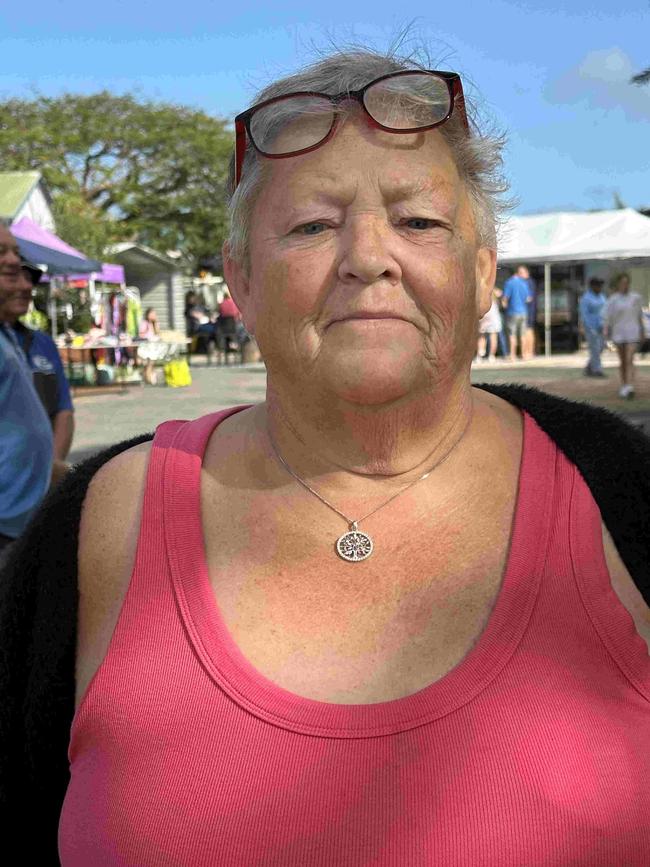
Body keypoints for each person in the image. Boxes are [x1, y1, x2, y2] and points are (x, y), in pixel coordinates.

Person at [2, 50, 650, 865]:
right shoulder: (98, 525)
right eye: (312, 225)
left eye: (418, 221)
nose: (369, 256)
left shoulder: (621, 490)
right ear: (239, 278)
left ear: (483, 273)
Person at [0, 225, 53, 558]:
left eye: (15, 253)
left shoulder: (7, 336)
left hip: (22, 521)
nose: (13, 263)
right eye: (1, 253)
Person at [12, 261, 75, 460]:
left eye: (29, 279)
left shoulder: (43, 343)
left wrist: (51, 468)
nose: (26, 286)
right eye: (14, 277)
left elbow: (64, 410)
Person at [603, 273, 644, 399]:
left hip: (633, 333)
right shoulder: (613, 300)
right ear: (618, 284)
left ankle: (630, 386)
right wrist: (606, 331)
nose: (625, 285)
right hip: (619, 333)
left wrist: (642, 331)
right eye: (622, 283)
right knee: (623, 361)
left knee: (629, 358)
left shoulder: (636, 298)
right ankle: (624, 385)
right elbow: (607, 317)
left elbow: (639, 315)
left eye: (627, 283)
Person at [502, 264, 533, 360]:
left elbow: (505, 298)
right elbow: (529, 298)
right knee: (523, 334)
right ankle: (524, 354)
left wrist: (504, 306)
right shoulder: (524, 283)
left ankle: (512, 355)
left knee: (512, 334)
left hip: (512, 312)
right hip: (523, 312)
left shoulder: (509, 283)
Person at [579, 276, 607, 378]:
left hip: (601, 326)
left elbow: (605, 310)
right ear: (592, 286)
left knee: (601, 347)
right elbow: (584, 314)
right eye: (598, 285)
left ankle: (589, 367)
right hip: (591, 327)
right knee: (594, 349)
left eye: (601, 285)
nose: (600, 287)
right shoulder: (586, 298)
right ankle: (597, 370)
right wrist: (584, 326)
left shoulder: (602, 296)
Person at [475, 288, 502, 361]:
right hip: (493, 317)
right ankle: (491, 356)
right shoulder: (493, 292)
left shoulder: (480, 293)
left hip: (484, 316)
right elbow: (501, 295)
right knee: (493, 336)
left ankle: (479, 356)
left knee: (482, 336)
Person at [137, 306, 162, 385]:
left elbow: (158, 333)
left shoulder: (155, 323)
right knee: (148, 363)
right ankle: (148, 377)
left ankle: (148, 377)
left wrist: (156, 323)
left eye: (154, 314)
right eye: (152, 313)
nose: (154, 315)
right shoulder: (144, 323)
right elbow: (141, 334)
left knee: (151, 362)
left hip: (153, 345)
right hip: (145, 345)